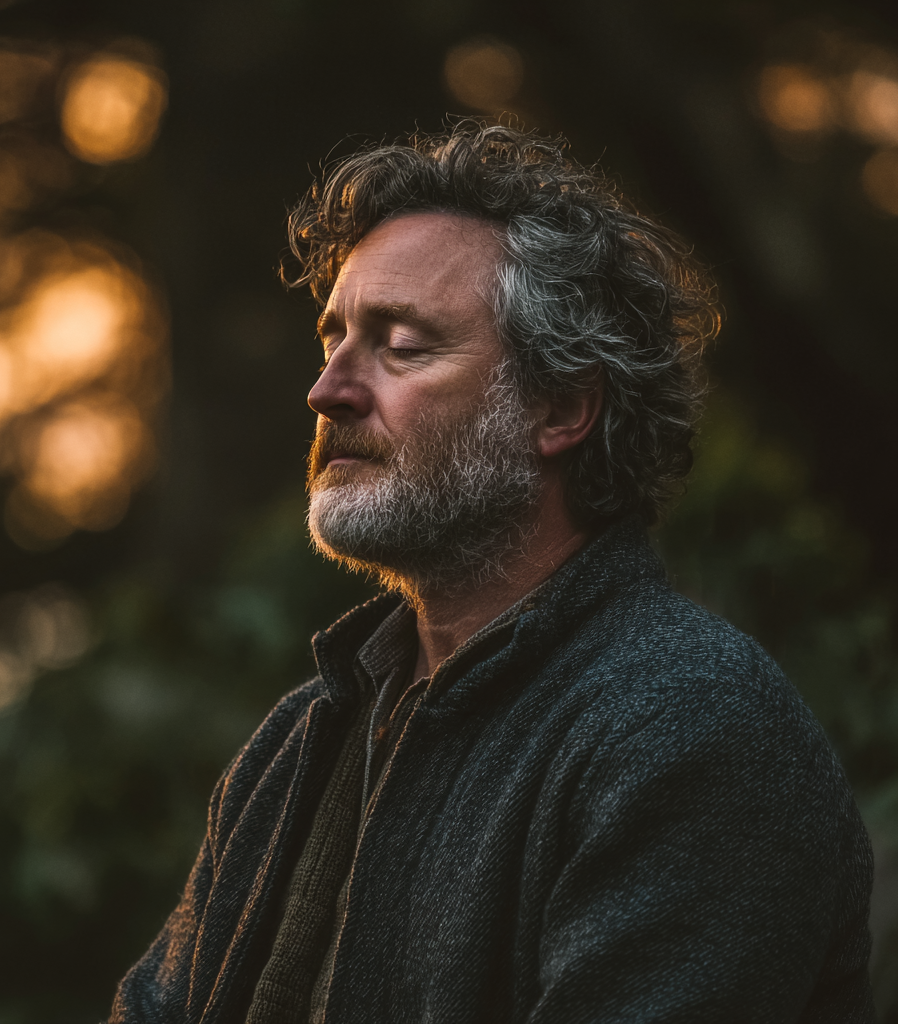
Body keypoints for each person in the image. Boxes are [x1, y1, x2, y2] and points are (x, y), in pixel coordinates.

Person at [109, 124, 874, 1023]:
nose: (328, 390)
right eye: (334, 338)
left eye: (401, 345)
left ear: (560, 407)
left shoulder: (690, 727)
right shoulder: (302, 738)